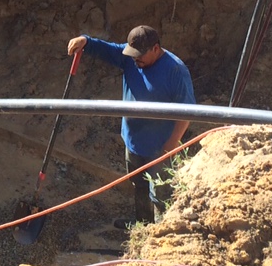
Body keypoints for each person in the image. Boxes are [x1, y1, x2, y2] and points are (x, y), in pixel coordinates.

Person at [66, 25, 194, 225]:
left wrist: (170, 146)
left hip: (160, 148)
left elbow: (186, 114)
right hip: (133, 142)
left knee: (161, 192)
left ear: (156, 49)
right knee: (139, 184)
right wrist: (86, 41)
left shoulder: (175, 71)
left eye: (140, 55)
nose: (135, 59)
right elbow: (106, 49)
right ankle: (142, 224)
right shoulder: (131, 57)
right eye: (132, 54)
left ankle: (160, 234)